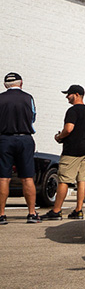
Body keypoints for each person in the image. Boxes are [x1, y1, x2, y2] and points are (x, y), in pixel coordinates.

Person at [44, 84, 85, 220]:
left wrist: (59, 137)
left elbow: (68, 129)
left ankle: (56, 211)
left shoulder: (72, 111)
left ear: (77, 95)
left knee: (64, 180)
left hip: (72, 151)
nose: (67, 97)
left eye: (69, 94)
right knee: (81, 181)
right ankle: (79, 210)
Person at [0, 72, 39, 224]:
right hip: (24, 138)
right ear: (21, 83)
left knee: (4, 177)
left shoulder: (1, 98)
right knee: (27, 177)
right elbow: (33, 117)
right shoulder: (28, 98)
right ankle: (31, 213)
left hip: (4, 138)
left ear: (5, 85)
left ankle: (1, 214)